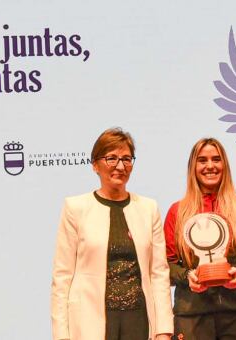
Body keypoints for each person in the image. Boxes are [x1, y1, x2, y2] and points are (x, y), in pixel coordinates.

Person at [50, 128, 173, 340]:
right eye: (111, 158)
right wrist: (62, 335)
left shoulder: (148, 208)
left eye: (126, 159)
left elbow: (159, 274)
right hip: (90, 320)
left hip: (139, 319)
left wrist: (163, 329)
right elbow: (62, 277)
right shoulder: (75, 207)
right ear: (95, 165)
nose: (120, 166)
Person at [163, 138, 236, 340]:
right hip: (191, 315)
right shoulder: (177, 212)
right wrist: (188, 276)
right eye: (202, 160)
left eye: (216, 159)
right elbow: (165, 265)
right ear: (193, 167)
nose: (210, 166)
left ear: (225, 165)